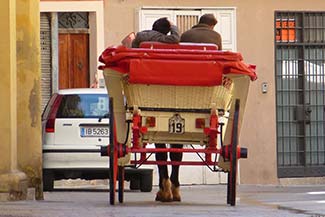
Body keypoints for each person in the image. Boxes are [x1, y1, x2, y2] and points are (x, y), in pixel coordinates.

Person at [132, 17, 182, 202]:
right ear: (165, 31)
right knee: (178, 142)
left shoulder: (141, 37)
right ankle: (175, 184)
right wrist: (173, 26)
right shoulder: (167, 40)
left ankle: (164, 184)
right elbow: (176, 38)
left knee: (158, 141)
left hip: (149, 95)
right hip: (177, 98)